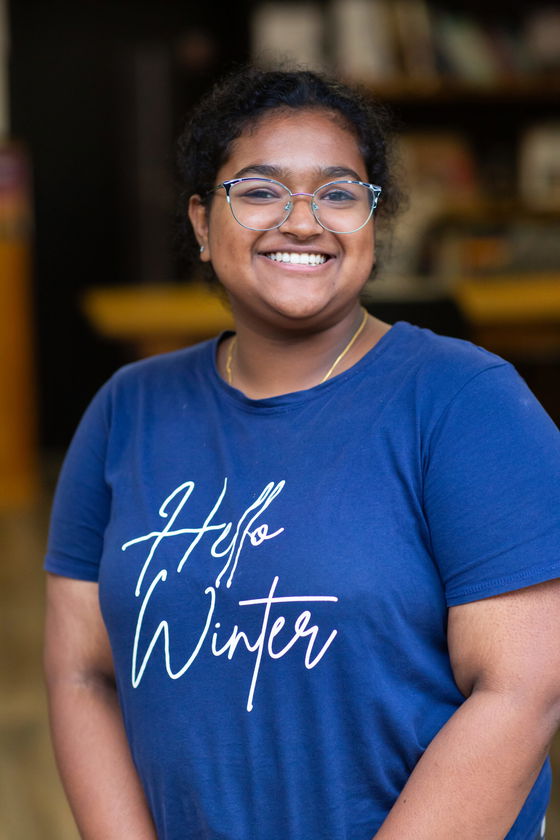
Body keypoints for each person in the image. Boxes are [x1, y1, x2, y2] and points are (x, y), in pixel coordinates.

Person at [43, 67, 560, 840]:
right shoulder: (127, 408)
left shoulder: (469, 402)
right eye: (258, 190)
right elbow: (80, 671)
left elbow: (525, 689)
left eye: (339, 193)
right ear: (200, 222)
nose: (302, 220)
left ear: (371, 224)